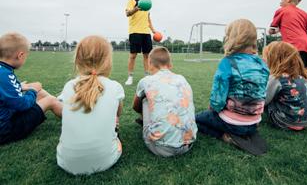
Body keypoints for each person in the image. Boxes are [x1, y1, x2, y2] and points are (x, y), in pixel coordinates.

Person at [57, 35, 124, 175]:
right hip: (106, 160)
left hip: (65, 161)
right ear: (107, 61)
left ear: (78, 60)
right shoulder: (115, 86)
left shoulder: (69, 86)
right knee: (116, 131)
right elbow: (118, 114)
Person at [196, 19, 269, 146]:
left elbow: (218, 99)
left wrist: (213, 110)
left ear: (231, 38)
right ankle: (244, 130)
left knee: (194, 120)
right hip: (254, 122)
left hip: (231, 122)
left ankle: (224, 136)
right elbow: (262, 93)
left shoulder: (227, 62)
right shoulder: (262, 63)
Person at [133, 46, 197, 157]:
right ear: (170, 64)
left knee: (145, 99)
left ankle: (150, 125)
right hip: (188, 144)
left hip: (160, 148)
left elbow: (135, 106)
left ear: (150, 64)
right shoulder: (182, 78)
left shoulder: (146, 81)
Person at [0, 32, 62, 145]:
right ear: (20, 55)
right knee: (50, 100)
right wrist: (32, 90)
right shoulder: (4, 74)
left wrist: (20, 86)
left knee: (40, 92)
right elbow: (21, 105)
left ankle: (60, 104)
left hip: (6, 118)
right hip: (6, 130)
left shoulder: (2, 70)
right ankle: (75, 117)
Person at [263, 41, 307, 130]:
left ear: (274, 59)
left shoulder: (276, 78)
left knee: (265, 97)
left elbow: (264, 100)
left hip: (285, 121)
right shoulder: (303, 78)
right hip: (305, 122)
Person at [269, 0, 307, 68]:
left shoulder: (281, 11)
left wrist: (272, 31)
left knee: (291, 71)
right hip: (306, 45)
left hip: (293, 45)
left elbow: (272, 29)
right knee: (304, 71)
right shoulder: (304, 13)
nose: (280, 2)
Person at [125, 0, 156, 85]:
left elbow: (148, 18)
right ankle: (130, 77)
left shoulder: (147, 3)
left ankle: (147, 76)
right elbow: (127, 13)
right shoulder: (132, 0)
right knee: (133, 55)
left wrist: (153, 30)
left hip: (146, 32)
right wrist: (136, 8)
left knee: (147, 55)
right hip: (134, 32)